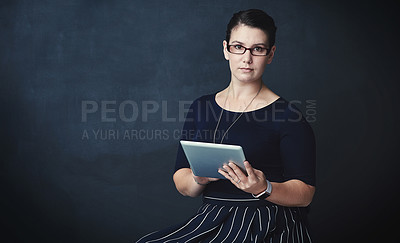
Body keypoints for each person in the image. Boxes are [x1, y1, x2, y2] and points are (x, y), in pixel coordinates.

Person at [136, 9, 316, 243]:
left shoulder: (288, 116)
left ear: (270, 54)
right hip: (213, 218)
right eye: (238, 47)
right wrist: (198, 180)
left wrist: (264, 188)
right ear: (226, 49)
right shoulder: (201, 107)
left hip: (269, 222)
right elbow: (182, 181)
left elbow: (305, 194)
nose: (247, 58)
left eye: (258, 49)